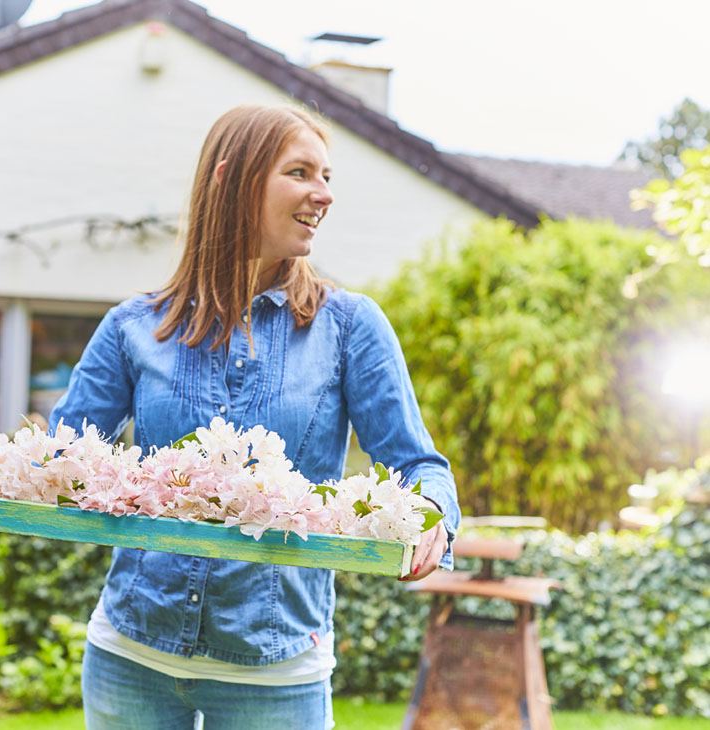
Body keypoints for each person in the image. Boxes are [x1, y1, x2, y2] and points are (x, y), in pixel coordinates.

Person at [47, 104, 460, 730]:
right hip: (131, 654)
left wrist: (431, 515)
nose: (323, 195)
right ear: (231, 180)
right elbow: (62, 456)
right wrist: (10, 487)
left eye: (327, 177)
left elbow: (416, 463)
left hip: (277, 671)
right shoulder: (135, 326)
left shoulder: (349, 328)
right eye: (300, 172)